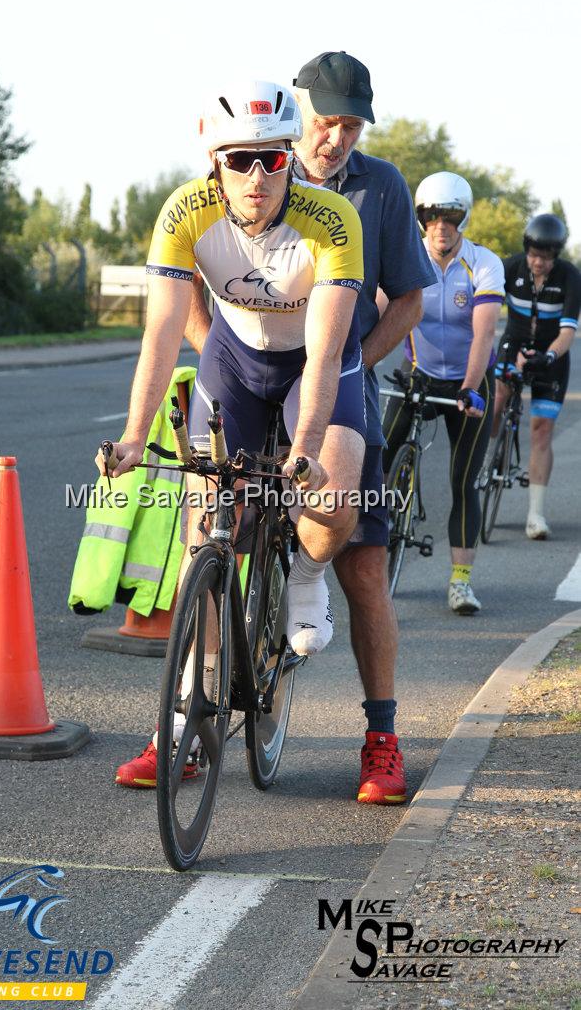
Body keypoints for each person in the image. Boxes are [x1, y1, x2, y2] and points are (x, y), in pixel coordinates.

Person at [164, 52, 436, 805]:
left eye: (351, 126)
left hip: (337, 382)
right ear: (296, 115)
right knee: (207, 539)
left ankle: (380, 739)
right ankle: (183, 726)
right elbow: (184, 278)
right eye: (326, 122)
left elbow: (408, 299)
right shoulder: (248, 167)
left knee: (361, 563)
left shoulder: (377, 187)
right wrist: (220, 353)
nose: (337, 138)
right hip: (250, 374)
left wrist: (355, 359)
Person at [107, 79, 367, 788]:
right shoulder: (183, 211)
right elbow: (160, 333)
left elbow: (322, 354)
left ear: (291, 159)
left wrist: (305, 448)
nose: (256, 176)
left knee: (332, 495)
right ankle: (180, 725)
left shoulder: (331, 217)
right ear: (214, 165)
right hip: (234, 359)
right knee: (205, 536)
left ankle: (308, 581)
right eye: (240, 160)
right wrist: (134, 436)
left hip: (316, 365)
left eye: (273, 160)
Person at [383, 171, 505, 615]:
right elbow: (378, 314)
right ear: (420, 219)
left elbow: (483, 335)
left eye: (450, 216)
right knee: (376, 460)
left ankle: (460, 582)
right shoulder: (406, 258)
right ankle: (371, 553)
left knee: (463, 480)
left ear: (464, 219)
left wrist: (471, 389)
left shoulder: (484, 264)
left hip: (468, 386)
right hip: (418, 375)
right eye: (431, 216)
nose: (441, 225)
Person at [492, 213, 581, 539]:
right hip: (512, 343)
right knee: (498, 398)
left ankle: (535, 515)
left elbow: (568, 332)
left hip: (551, 353)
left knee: (541, 429)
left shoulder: (570, 277)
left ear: (555, 255)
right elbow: (483, 306)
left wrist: (548, 356)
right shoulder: (511, 267)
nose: (537, 262)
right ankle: (488, 459)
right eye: (533, 255)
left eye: (544, 257)